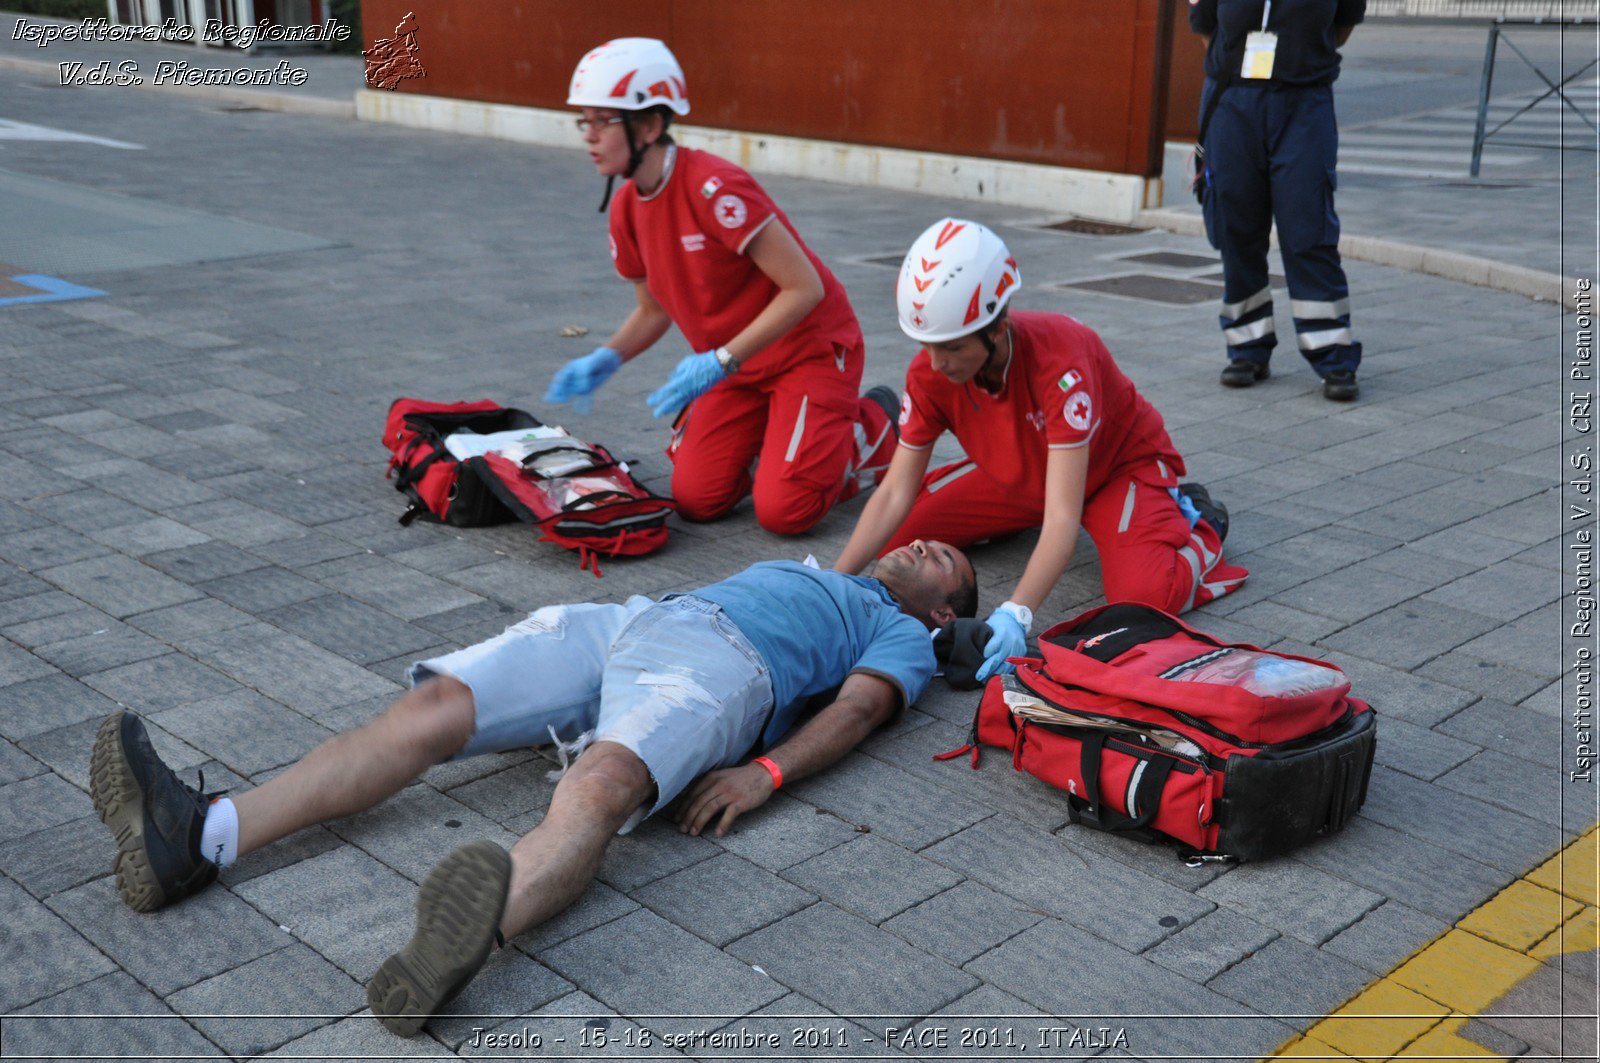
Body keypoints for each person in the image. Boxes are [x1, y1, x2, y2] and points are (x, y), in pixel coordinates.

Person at [87, 542, 976, 1038]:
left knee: (603, 780)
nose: (929, 542)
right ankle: (200, 835)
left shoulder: (898, 633)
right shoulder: (834, 572)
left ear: (944, 612)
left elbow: (859, 710)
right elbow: (895, 489)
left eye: (951, 563)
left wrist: (765, 770)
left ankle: (465, 936)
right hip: (630, 619)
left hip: (723, 666)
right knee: (435, 708)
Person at [834, 219, 1247, 681]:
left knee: (1145, 596)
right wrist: (834, 582)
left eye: (950, 347)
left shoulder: (1061, 359)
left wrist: (1017, 612)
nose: (936, 363)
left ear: (997, 329)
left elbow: (1062, 519)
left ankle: (1200, 523)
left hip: (1115, 470)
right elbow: (894, 492)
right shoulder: (932, 371)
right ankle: (1009, 518)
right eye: (926, 346)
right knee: (897, 543)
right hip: (1031, 470)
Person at [544, 38, 898, 534]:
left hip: (808, 351)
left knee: (785, 513)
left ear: (648, 125)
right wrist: (607, 358)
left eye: (603, 120)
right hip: (735, 365)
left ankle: (873, 431)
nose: (589, 135)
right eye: (586, 120)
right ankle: (784, 443)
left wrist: (721, 360)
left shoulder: (715, 188)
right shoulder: (626, 207)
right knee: (695, 501)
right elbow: (652, 310)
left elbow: (805, 288)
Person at [1190, 0, 1366, 401]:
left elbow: (1344, 23)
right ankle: (1247, 348)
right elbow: (1205, 28)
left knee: (1308, 229)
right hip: (1234, 102)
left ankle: (1333, 355)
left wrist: (1299, 63)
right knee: (1235, 226)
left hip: (1304, 103)